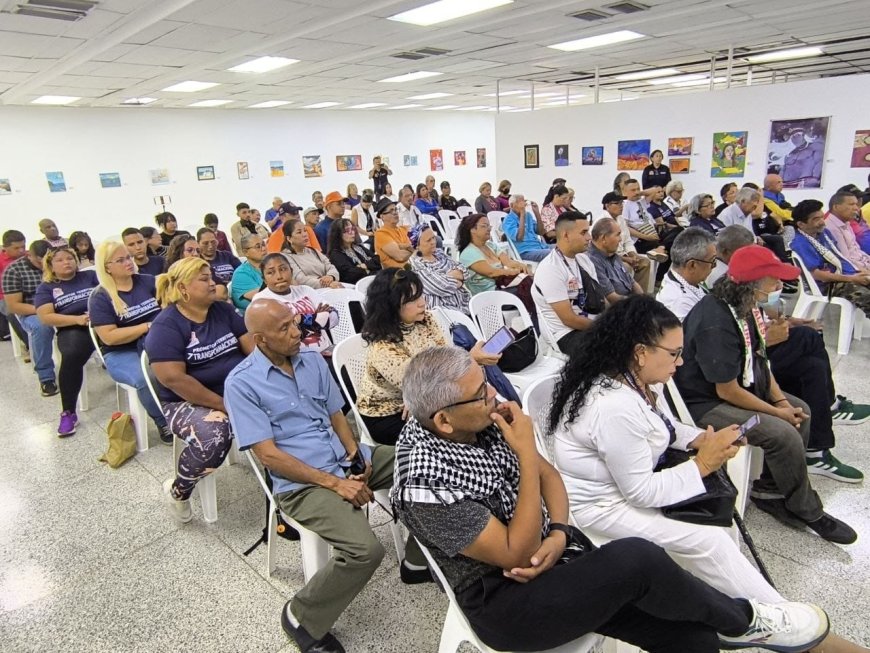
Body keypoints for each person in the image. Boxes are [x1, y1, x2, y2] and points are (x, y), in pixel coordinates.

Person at [393, 345, 829, 653]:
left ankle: (733, 626)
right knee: (637, 558)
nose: (494, 395)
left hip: (556, 559)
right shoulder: (423, 486)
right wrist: (525, 451)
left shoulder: (477, 420)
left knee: (692, 638)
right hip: (507, 604)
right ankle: (744, 621)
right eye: (481, 393)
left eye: (486, 383)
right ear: (444, 421)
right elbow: (516, 552)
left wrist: (559, 532)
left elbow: (550, 478)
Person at [548, 297, 859, 653]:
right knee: (707, 541)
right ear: (640, 352)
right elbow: (641, 492)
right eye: (674, 354)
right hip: (602, 508)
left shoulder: (634, 380)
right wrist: (702, 464)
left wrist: (701, 439)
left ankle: (760, 611)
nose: (681, 363)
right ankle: (778, 621)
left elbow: (663, 427)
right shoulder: (613, 406)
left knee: (715, 533)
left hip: (625, 487)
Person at [224, 299, 428, 653]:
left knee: (427, 463)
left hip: (343, 460)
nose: (296, 332)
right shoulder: (241, 384)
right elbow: (268, 456)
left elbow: (336, 415)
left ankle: (416, 559)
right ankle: (300, 616)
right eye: (285, 328)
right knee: (365, 551)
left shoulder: (311, 359)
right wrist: (336, 483)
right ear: (260, 339)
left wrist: (353, 456)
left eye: (294, 322)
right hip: (303, 485)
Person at [676, 245, 857, 543]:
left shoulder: (746, 308)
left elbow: (760, 359)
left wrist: (782, 401)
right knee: (782, 432)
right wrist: (777, 412)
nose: (779, 286)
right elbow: (726, 389)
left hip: (737, 387)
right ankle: (808, 510)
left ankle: (770, 490)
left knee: (801, 411)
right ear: (752, 284)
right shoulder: (715, 321)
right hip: (705, 403)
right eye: (774, 280)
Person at [703, 227, 869, 483]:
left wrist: (785, 323)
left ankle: (817, 446)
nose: (780, 286)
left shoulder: (739, 294)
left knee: (811, 363)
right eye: (774, 281)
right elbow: (733, 361)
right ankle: (824, 417)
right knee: (807, 343)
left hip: (751, 359)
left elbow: (759, 322)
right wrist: (778, 406)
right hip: (735, 373)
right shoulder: (718, 301)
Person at [145, 257, 254, 522]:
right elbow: (174, 379)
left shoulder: (223, 310)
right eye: (204, 279)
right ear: (182, 288)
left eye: (211, 277)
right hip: (187, 400)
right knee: (214, 436)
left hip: (234, 388)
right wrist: (223, 404)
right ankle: (179, 491)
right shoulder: (166, 326)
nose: (213, 283)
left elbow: (251, 349)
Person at [356, 269, 496, 446]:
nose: (422, 303)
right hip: (388, 413)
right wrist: (471, 358)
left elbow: (444, 356)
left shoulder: (426, 319)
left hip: (421, 397)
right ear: (390, 306)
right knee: (454, 428)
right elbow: (427, 387)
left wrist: (416, 397)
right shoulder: (382, 347)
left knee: (477, 413)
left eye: (421, 295)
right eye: (412, 300)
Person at [89, 241, 171, 443]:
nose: (129, 262)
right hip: (120, 352)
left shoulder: (146, 281)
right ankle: (163, 421)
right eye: (121, 260)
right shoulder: (100, 297)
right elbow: (109, 336)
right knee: (144, 378)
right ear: (107, 267)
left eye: (129, 257)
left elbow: (169, 305)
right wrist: (147, 326)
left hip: (154, 342)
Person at [34, 247, 98, 436]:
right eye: (60, 260)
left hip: (102, 322)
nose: (66, 262)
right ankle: (68, 412)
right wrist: (76, 320)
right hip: (73, 327)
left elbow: (108, 294)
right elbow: (46, 317)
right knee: (71, 355)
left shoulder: (90, 276)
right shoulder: (46, 288)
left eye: (70, 258)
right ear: (51, 266)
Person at [532, 212, 604, 354]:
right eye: (584, 232)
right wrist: (605, 327)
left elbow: (600, 297)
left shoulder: (584, 260)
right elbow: (569, 320)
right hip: (566, 333)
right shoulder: (550, 269)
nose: (589, 237)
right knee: (614, 348)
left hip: (589, 323)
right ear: (566, 235)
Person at [789, 199, 870, 313]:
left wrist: (859, 271)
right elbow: (817, 275)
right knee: (867, 298)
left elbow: (840, 258)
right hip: (829, 285)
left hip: (846, 276)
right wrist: (851, 278)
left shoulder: (824, 233)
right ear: (801, 224)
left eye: (822, 217)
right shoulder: (800, 244)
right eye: (816, 219)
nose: (822, 222)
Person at [2, 240, 57, 395]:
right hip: (32, 311)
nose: (44, 267)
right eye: (40, 263)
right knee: (42, 327)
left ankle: (106, 356)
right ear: (30, 256)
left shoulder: (57, 262)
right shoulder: (13, 270)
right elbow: (14, 306)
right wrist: (45, 311)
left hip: (61, 305)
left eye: (48, 262)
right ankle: (46, 377)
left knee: (96, 315)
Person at [251, 254, 337, 354]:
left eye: (283, 269)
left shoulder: (306, 290)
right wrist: (317, 318)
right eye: (271, 272)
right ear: (264, 279)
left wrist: (301, 319)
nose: (279, 276)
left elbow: (334, 318)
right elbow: (280, 335)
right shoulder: (261, 300)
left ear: (291, 271)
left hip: (326, 351)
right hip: (294, 357)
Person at [456, 213, 532, 301]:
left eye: (489, 226)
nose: (489, 229)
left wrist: (521, 266)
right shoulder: (468, 253)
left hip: (503, 285)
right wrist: (513, 272)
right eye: (484, 226)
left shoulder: (490, 245)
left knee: (533, 282)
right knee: (530, 287)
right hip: (490, 294)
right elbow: (492, 273)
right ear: (472, 230)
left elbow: (508, 262)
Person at [656, 227, 717, 321]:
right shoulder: (681, 303)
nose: (714, 266)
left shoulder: (682, 278)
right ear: (692, 265)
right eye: (712, 261)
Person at [408, 224, 470, 314]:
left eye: (433, 238)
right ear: (417, 246)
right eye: (428, 240)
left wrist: (445, 277)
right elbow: (443, 287)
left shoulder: (439, 253)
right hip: (444, 311)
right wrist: (459, 281)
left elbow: (465, 271)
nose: (433, 242)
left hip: (464, 304)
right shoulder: (416, 265)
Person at [598, 192, 654, 290]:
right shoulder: (602, 222)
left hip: (623, 254)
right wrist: (625, 259)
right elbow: (604, 250)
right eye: (617, 203)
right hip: (609, 257)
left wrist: (633, 255)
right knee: (625, 267)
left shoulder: (621, 219)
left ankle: (640, 295)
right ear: (607, 206)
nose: (621, 206)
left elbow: (627, 241)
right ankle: (624, 295)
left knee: (644, 262)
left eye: (622, 203)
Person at [587, 218, 644, 302]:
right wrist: (636, 303)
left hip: (629, 301)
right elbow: (611, 297)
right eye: (617, 235)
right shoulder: (593, 261)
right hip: (620, 306)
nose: (620, 239)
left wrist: (643, 300)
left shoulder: (612, 253)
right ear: (604, 238)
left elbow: (633, 283)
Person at [281, 219, 342, 290]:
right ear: (289, 238)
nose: (305, 234)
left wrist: (331, 276)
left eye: (305, 230)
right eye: (299, 232)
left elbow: (330, 266)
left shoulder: (313, 251)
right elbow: (300, 279)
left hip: (331, 285)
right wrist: (328, 284)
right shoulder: (285, 257)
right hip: (312, 291)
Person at [327, 218, 380, 284]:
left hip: (371, 278)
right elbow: (351, 274)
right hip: (356, 285)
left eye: (353, 229)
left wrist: (365, 265)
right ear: (338, 234)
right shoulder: (336, 253)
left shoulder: (358, 247)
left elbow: (377, 259)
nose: (352, 232)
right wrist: (369, 267)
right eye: (347, 230)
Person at [826, 191, 870, 269]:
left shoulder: (846, 222)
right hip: (856, 270)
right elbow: (846, 260)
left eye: (856, 204)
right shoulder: (831, 227)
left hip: (863, 263)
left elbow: (856, 250)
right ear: (836, 207)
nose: (856, 208)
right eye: (851, 204)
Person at [502, 194, 551, 263]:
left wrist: (537, 213)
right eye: (520, 202)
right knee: (554, 254)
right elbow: (519, 237)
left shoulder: (528, 215)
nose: (524, 204)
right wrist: (522, 215)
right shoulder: (508, 220)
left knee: (562, 249)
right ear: (512, 205)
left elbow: (541, 232)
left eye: (524, 201)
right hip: (525, 252)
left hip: (540, 247)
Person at [0, 230, 28, 344]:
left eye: (23, 246)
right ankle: (29, 345)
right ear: (5, 247)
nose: (21, 250)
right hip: (5, 296)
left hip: (30, 292)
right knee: (13, 313)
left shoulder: (29, 256)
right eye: (16, 248)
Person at [230, 233, 267, 315]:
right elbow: (264, 298)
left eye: (263, 244)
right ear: (245, 252)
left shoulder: (271, 265)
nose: (264, 248)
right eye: (258, 246)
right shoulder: (241, 274)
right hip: (258, 316)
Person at [373, 197, 413, 270]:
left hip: (412, 266)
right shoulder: (381, 233)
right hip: (397, 273)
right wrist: (413, 250)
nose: (395, 213)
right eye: (391, 211)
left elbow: (412, 247)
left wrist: (405, 247)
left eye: (395, 209)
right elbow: (400, 256)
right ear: (382, 217)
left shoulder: (402, 229)